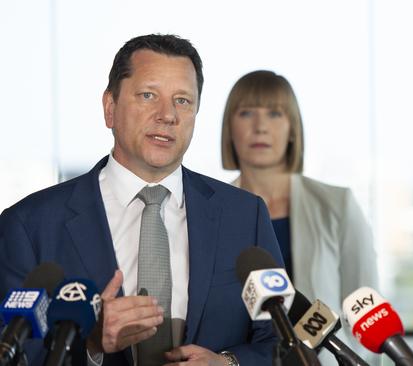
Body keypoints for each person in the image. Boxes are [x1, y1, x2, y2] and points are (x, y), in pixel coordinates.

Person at [0, 34, 282, 365]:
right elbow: (11, 352)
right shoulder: (28, 225)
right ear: (110, 108)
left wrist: (229, 363)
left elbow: (281, 339)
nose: (167, 115)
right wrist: (90, 343)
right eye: (148, 95)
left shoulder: (244, 216)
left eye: (183, 101)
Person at [220, 70, 379, 364]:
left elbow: (365, 312)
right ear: (229, 128)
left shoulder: (338, 205)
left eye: (274, 113)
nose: (260, 127)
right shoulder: (212, 213)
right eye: (246, 113)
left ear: (293, 127)